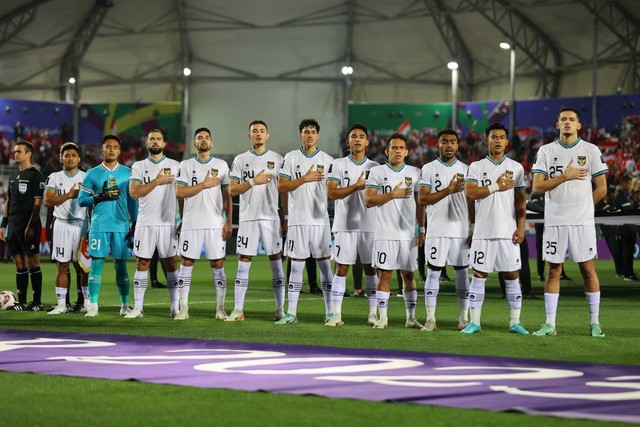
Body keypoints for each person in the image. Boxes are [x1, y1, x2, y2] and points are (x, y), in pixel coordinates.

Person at [531, 107, 608, 337]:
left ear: (578, 126)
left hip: (582, 222)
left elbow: (602, 188)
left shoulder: (591, 150)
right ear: (557, 125)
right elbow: (537, 187)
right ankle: (550, 324)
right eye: (563, 119)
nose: (567, 122)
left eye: (571, 119)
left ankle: (595, 323)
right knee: (553, 271)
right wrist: (565, 175)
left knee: (587, 269)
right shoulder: (545, 151)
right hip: (555, 220)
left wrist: (585, 208)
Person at [462, 123, 529, 335]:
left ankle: (515, 322)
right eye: (494, 137)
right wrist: (495, 186)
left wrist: (521, 228)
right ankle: (474, 322)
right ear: (486, 140)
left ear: (507, 142)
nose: (498, 140)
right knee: (479, 275)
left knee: (511, 275)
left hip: (507, 232)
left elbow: (520, 202)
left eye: (501, 137)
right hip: (483, 232)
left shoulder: (516, 168)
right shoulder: (476, 166)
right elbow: (470, 194)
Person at [276, 118, 334, 324]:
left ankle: (331, 313)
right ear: (300, 135)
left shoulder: (328, 160)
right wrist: (305, 179)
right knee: (297, 266)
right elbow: (281, 187)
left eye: (312, 131)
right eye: (305, 131)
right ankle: (291, 313)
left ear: (318, 136)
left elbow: (333, 191)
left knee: (326, 268)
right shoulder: (290, 158)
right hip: (298, 221)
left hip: (320, 222)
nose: (309, 134)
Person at [226, 120, 285, 321]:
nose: (258, 134)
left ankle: (280, 310)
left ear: (267, 135)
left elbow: (284, 190)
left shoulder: (278, 159)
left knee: (276, 263)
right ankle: (238, 310)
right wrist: (252, 181)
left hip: (271, 218)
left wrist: (285, 217)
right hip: (248, 218)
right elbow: (232, 190)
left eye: (261, 131)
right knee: (243, 262)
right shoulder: (240, 160)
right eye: (254, 131)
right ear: (248, 136)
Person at [364, 133, 425, 329]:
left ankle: (411, 318)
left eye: (401, 148)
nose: (397, 151)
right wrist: (393, 194)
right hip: (384, 234)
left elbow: (420, 204)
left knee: (408, 276)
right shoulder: (376, 172)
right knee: (385, 275)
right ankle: (383, 317)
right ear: (387, 151)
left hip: (408, 235)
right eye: (394, 148)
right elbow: (369, 201)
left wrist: (422, 229)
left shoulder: (416, 172)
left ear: (407, 152)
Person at [174, 127, 232, 320]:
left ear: (212, 142)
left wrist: (228, 221)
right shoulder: (185, 164)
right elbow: (179, 193)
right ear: (194, 143)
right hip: (191, 223)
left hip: (215, 223)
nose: (204, 141)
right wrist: (203, 185)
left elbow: (227, 196)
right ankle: (183, 309)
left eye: (207, 137)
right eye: (200, 138)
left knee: (217, 264)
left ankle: (220, 309)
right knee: (187, 263)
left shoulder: (222, 165)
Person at [78, 135, 138, 317]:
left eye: (115, 147)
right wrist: (99, 197)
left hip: (121, 226)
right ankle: (94, 305)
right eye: (108, 147)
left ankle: (125, 305)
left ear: (120, 151)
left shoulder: (129, 173)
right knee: (96, 264)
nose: (111, 150)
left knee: (121, 266)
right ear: (102, 150)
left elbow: (132, 202)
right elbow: (81, 201)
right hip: (99, 225)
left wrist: (135, 223)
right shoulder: (92, 173)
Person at [326, 123, 379, 326]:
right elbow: (331, 194)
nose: (357, 139)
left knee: (371, 269)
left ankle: (373, 314)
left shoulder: (375, 168)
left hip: (370, 225)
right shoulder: (337, 164)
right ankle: (336, 314)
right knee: (341, 269)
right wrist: (356, 185)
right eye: (353, 136)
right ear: (348, 141)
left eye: (361, 136)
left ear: (367, 141)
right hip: (344, 225)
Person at [418, 129, 471, 331]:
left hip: (461, 231)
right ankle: (431, 319)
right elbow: (422, 199)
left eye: (452, 142)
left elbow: (473, 200)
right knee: (433, 274)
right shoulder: (429, 169)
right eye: (444, 142)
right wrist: (448, 190)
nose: (448, 145)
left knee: (462, 273)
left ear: (458, 146)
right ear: (437, 145)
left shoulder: (467, 170)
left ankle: (463, 319)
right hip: (437, 230)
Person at [126, 129, 180, 319]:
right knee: (142, 262)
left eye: (158, 139)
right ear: (146, 144)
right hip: (145, 223)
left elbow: (182, 194)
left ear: (164, 144)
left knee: (171, 263)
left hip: (168, 223)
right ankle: (138, 308)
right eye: (152, 139)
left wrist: (182, 220)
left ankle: (175, 306)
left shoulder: (176, 166)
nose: (155, 142)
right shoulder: (138, 166)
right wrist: (156, 181)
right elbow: (134, 193)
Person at [44, 142, 89, 314]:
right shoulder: (54, 177)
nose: (70, 158)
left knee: (83, 266)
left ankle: (86, 303)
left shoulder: (87, 177)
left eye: (73, 155)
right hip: (61, 224)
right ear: (61, 158)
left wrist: (92, 225)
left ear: (79, 159)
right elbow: (48, 201)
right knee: (62, 266)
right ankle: (62, 305)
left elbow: (92, 204)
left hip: (81, 225)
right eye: (66, 155)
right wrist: (69, 194)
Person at [0, 141, 45, 311]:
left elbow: (37, 204)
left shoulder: (36, 176)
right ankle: (22, 301)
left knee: (33, 262)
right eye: (14, 151)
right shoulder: (13, 177)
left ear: (28, 154)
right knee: (19, 263)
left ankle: (37, 302)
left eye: (19, 151)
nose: (15, 154)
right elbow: (9, 202)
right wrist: (3, 225)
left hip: (28, 225)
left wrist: (31, 226)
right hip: (13, 224)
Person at [613, 174, 639, 281]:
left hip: (629, 228)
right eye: (628, 183)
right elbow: (630, 209)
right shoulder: (620, 196)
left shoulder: (625, 195)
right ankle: (628, 274)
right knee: (627, 252)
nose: (629, 186)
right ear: (622, 183)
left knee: (628, 251)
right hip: (626, 228)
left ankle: (629, 272)